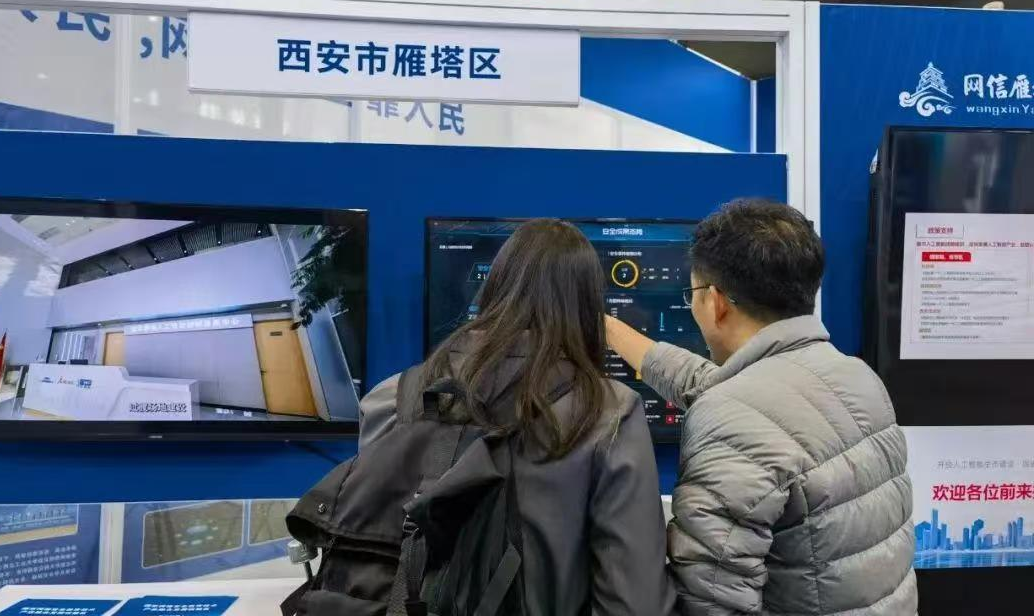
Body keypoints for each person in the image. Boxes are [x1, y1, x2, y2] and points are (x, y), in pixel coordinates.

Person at [606, 200, 917, 616]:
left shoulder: (731, 414)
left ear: (716, 302)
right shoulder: (855, 377)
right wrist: (610, 329)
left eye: (693, 293)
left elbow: (712, 599)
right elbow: (715, 385)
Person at [360, 218, 676, 615]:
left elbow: (370, 552)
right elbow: (635, 603)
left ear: (494, 288)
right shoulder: (608, 413)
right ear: (587, 308)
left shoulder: (392, 399)